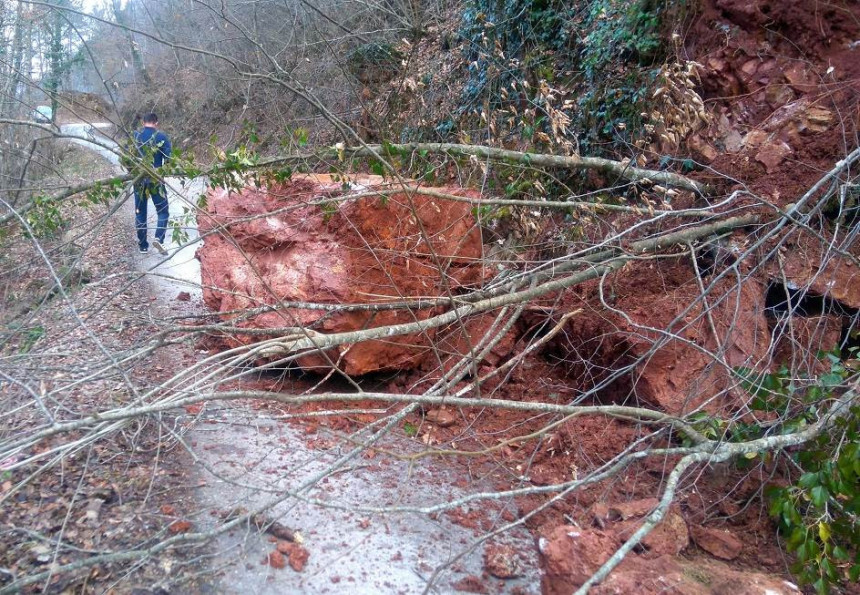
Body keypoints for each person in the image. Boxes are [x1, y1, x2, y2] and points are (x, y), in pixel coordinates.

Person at [132, 113, 172, 254]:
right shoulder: (161, 137)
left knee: (140, 212)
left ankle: (143, 245)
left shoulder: (136, 137)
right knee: (163, 211)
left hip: (138, 180)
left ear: (143, 122)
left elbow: (128, 160)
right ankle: (158, 239)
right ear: (157, 123)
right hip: (156, 179)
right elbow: (168, 160)